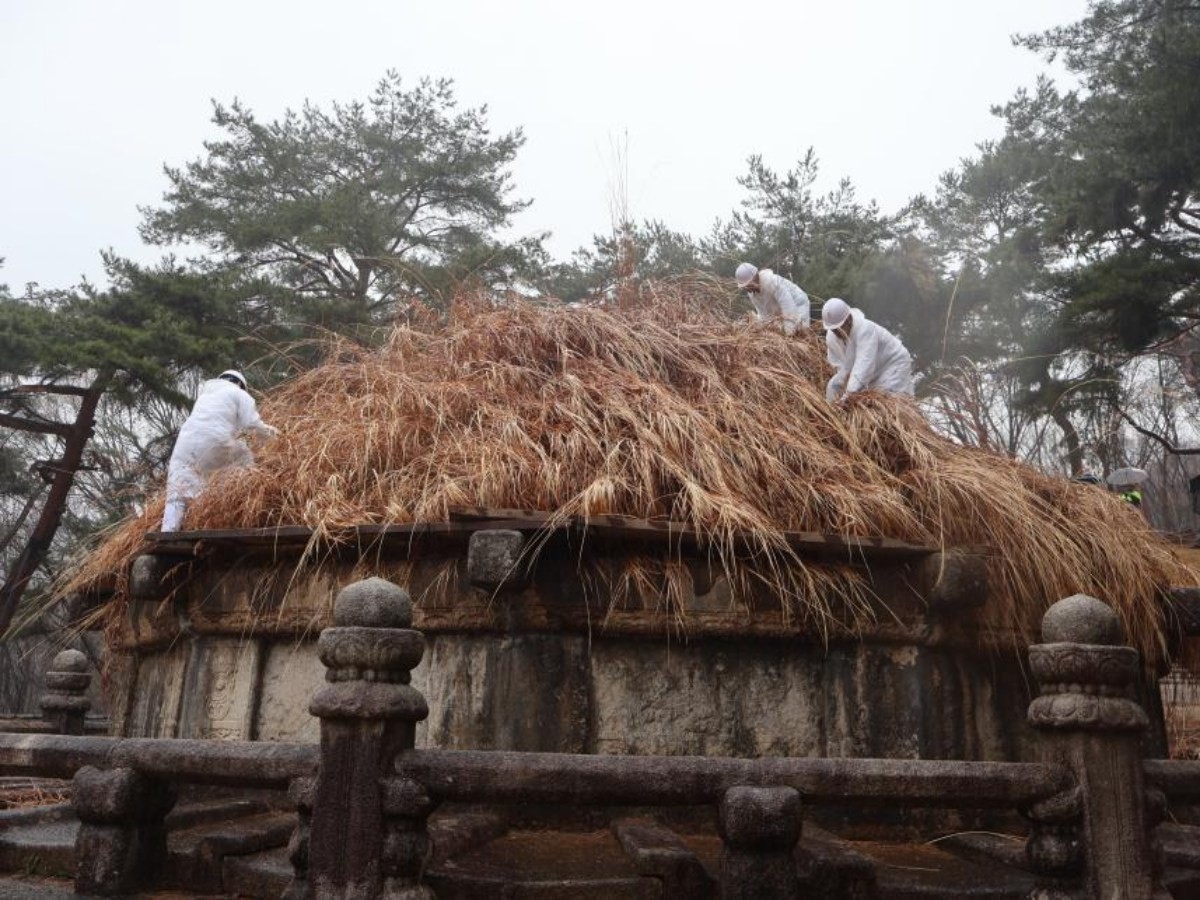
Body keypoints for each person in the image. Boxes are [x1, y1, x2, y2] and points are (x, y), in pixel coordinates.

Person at [161, 370, 278, 532]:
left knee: (177, 492)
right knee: (245, 464)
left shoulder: (204, 397)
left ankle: (167, 532)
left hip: (185, 444)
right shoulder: (239, 394)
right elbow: (251, 423)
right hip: (216, 439)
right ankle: (245, 515)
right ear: (240, 385)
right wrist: (274, 435)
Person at [821, 297, 914, 402]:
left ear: (849, 319)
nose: (838, 333)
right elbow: (840, 365)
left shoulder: (865, 329)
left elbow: (864, 363)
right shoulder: (832, 337)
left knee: (890, 399)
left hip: (893, 363)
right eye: (834, 330)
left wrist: (849, 395)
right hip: (874, 368)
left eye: (840, 328)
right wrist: (839, 384)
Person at [734, 262, 810, 335]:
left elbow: (788, 307)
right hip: (781, 312)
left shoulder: (772, 282)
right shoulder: (752, 294)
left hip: (798, 304)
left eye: (748, 285)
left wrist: (789, 333)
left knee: (800, 331)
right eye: (745, 287)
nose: (747, 289)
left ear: (755, 278)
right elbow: (763, 314)